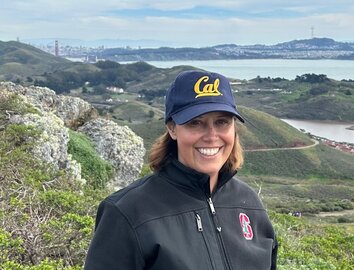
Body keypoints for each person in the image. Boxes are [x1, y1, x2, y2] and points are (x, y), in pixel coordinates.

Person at [84, 70, 278, 269]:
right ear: (172, 128)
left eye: (222, 122)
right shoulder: (127, 212)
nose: (212, 136)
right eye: (196, 123)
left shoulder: (250, 203)